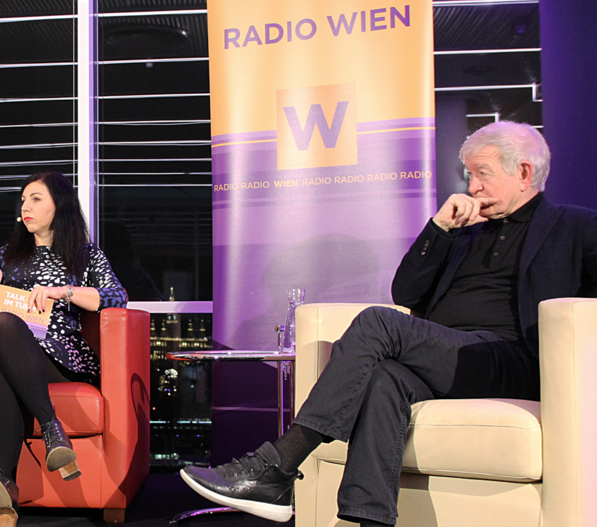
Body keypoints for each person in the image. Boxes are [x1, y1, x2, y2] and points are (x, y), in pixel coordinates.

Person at [180, 121, 597, 526]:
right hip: (448, 357)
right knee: (384, 380)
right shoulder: (461, 232)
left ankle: (278, 464)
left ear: (524, 172)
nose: (472, 187)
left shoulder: (577, 228)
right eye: (469, 175)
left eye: (482, 174)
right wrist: (440, 229)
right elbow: (407, 294)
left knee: (377, 322)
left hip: (507, 361)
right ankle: (371, 520)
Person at [0, 171, 128, 527]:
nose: (26, 207)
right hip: (6, 341)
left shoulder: (84, 255)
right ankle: (52, 428)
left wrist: (65, 292)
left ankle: (6, 487)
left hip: (58, 356)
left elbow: (116, 297)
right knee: (4, 324)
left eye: (36, 199)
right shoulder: (8, 256)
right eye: (23, 200)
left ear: (61, 205)